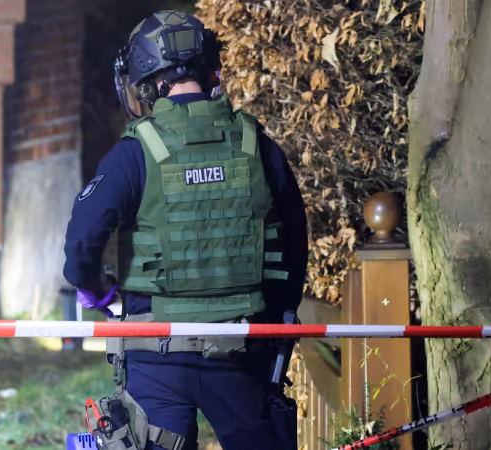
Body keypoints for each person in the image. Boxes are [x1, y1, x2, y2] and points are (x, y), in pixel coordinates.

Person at [63, 10, 308, 450]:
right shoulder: (257, 146)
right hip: (242, 351)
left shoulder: (133, 154)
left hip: (155, 354)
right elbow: (293, 246)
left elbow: (82, 242)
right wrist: (275, 319)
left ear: (146, 83)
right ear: (209, 69)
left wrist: (97, 293)